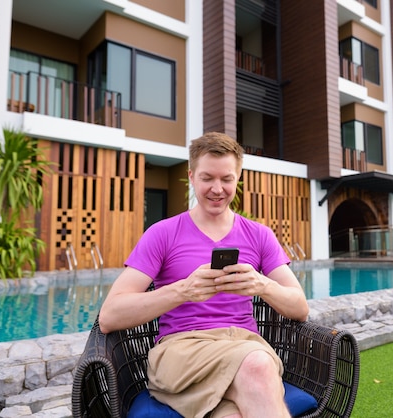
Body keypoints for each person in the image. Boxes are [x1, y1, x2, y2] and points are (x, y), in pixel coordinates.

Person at [99, 132, 310, 418]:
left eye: (227, 179)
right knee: (258, 366)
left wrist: (262, 285)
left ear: (238, 178)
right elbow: (110, 316)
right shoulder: (162, 234)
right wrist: (183, 291)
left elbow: (300, 308)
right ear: (191, 176)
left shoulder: (260, 235)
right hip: (182, 351)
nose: (217, 189)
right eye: (207, 178)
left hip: (244, 343)